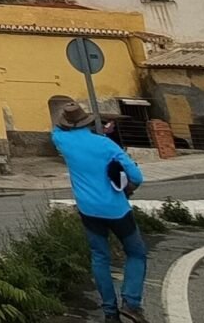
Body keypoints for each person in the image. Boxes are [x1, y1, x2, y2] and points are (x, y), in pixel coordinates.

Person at [51, 103, 148, 323]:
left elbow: (55, 131)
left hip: (88, 210)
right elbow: (138, 177)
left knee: (99, 257)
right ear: (87, 122)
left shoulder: (63, 142)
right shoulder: (106, 145)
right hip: (117, 209)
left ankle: (110, 313)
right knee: (136, 252)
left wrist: (63, 118)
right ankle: (131, 303)